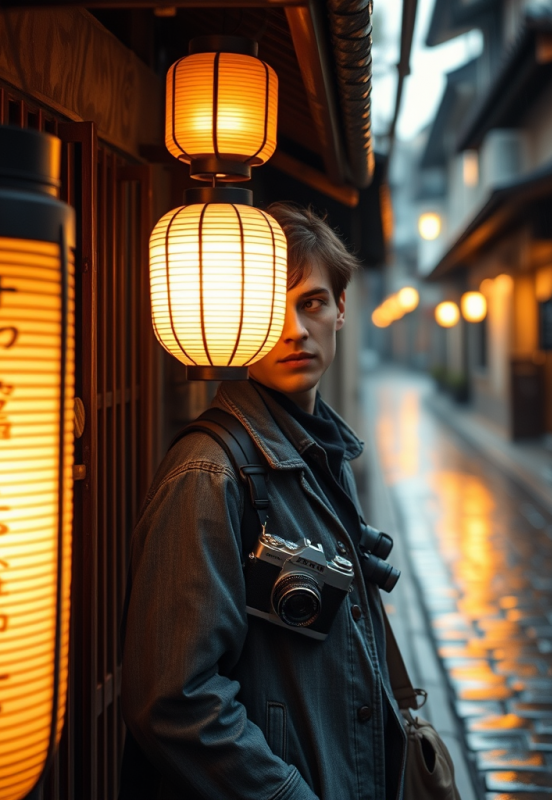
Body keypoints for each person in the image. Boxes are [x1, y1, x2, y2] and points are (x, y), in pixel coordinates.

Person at [119, 204, 406, 800]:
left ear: (341, 309)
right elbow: (176, 699)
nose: (295, 330)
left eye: (313, 302)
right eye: (272, 309)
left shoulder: (324, 452)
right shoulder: (209, 473)